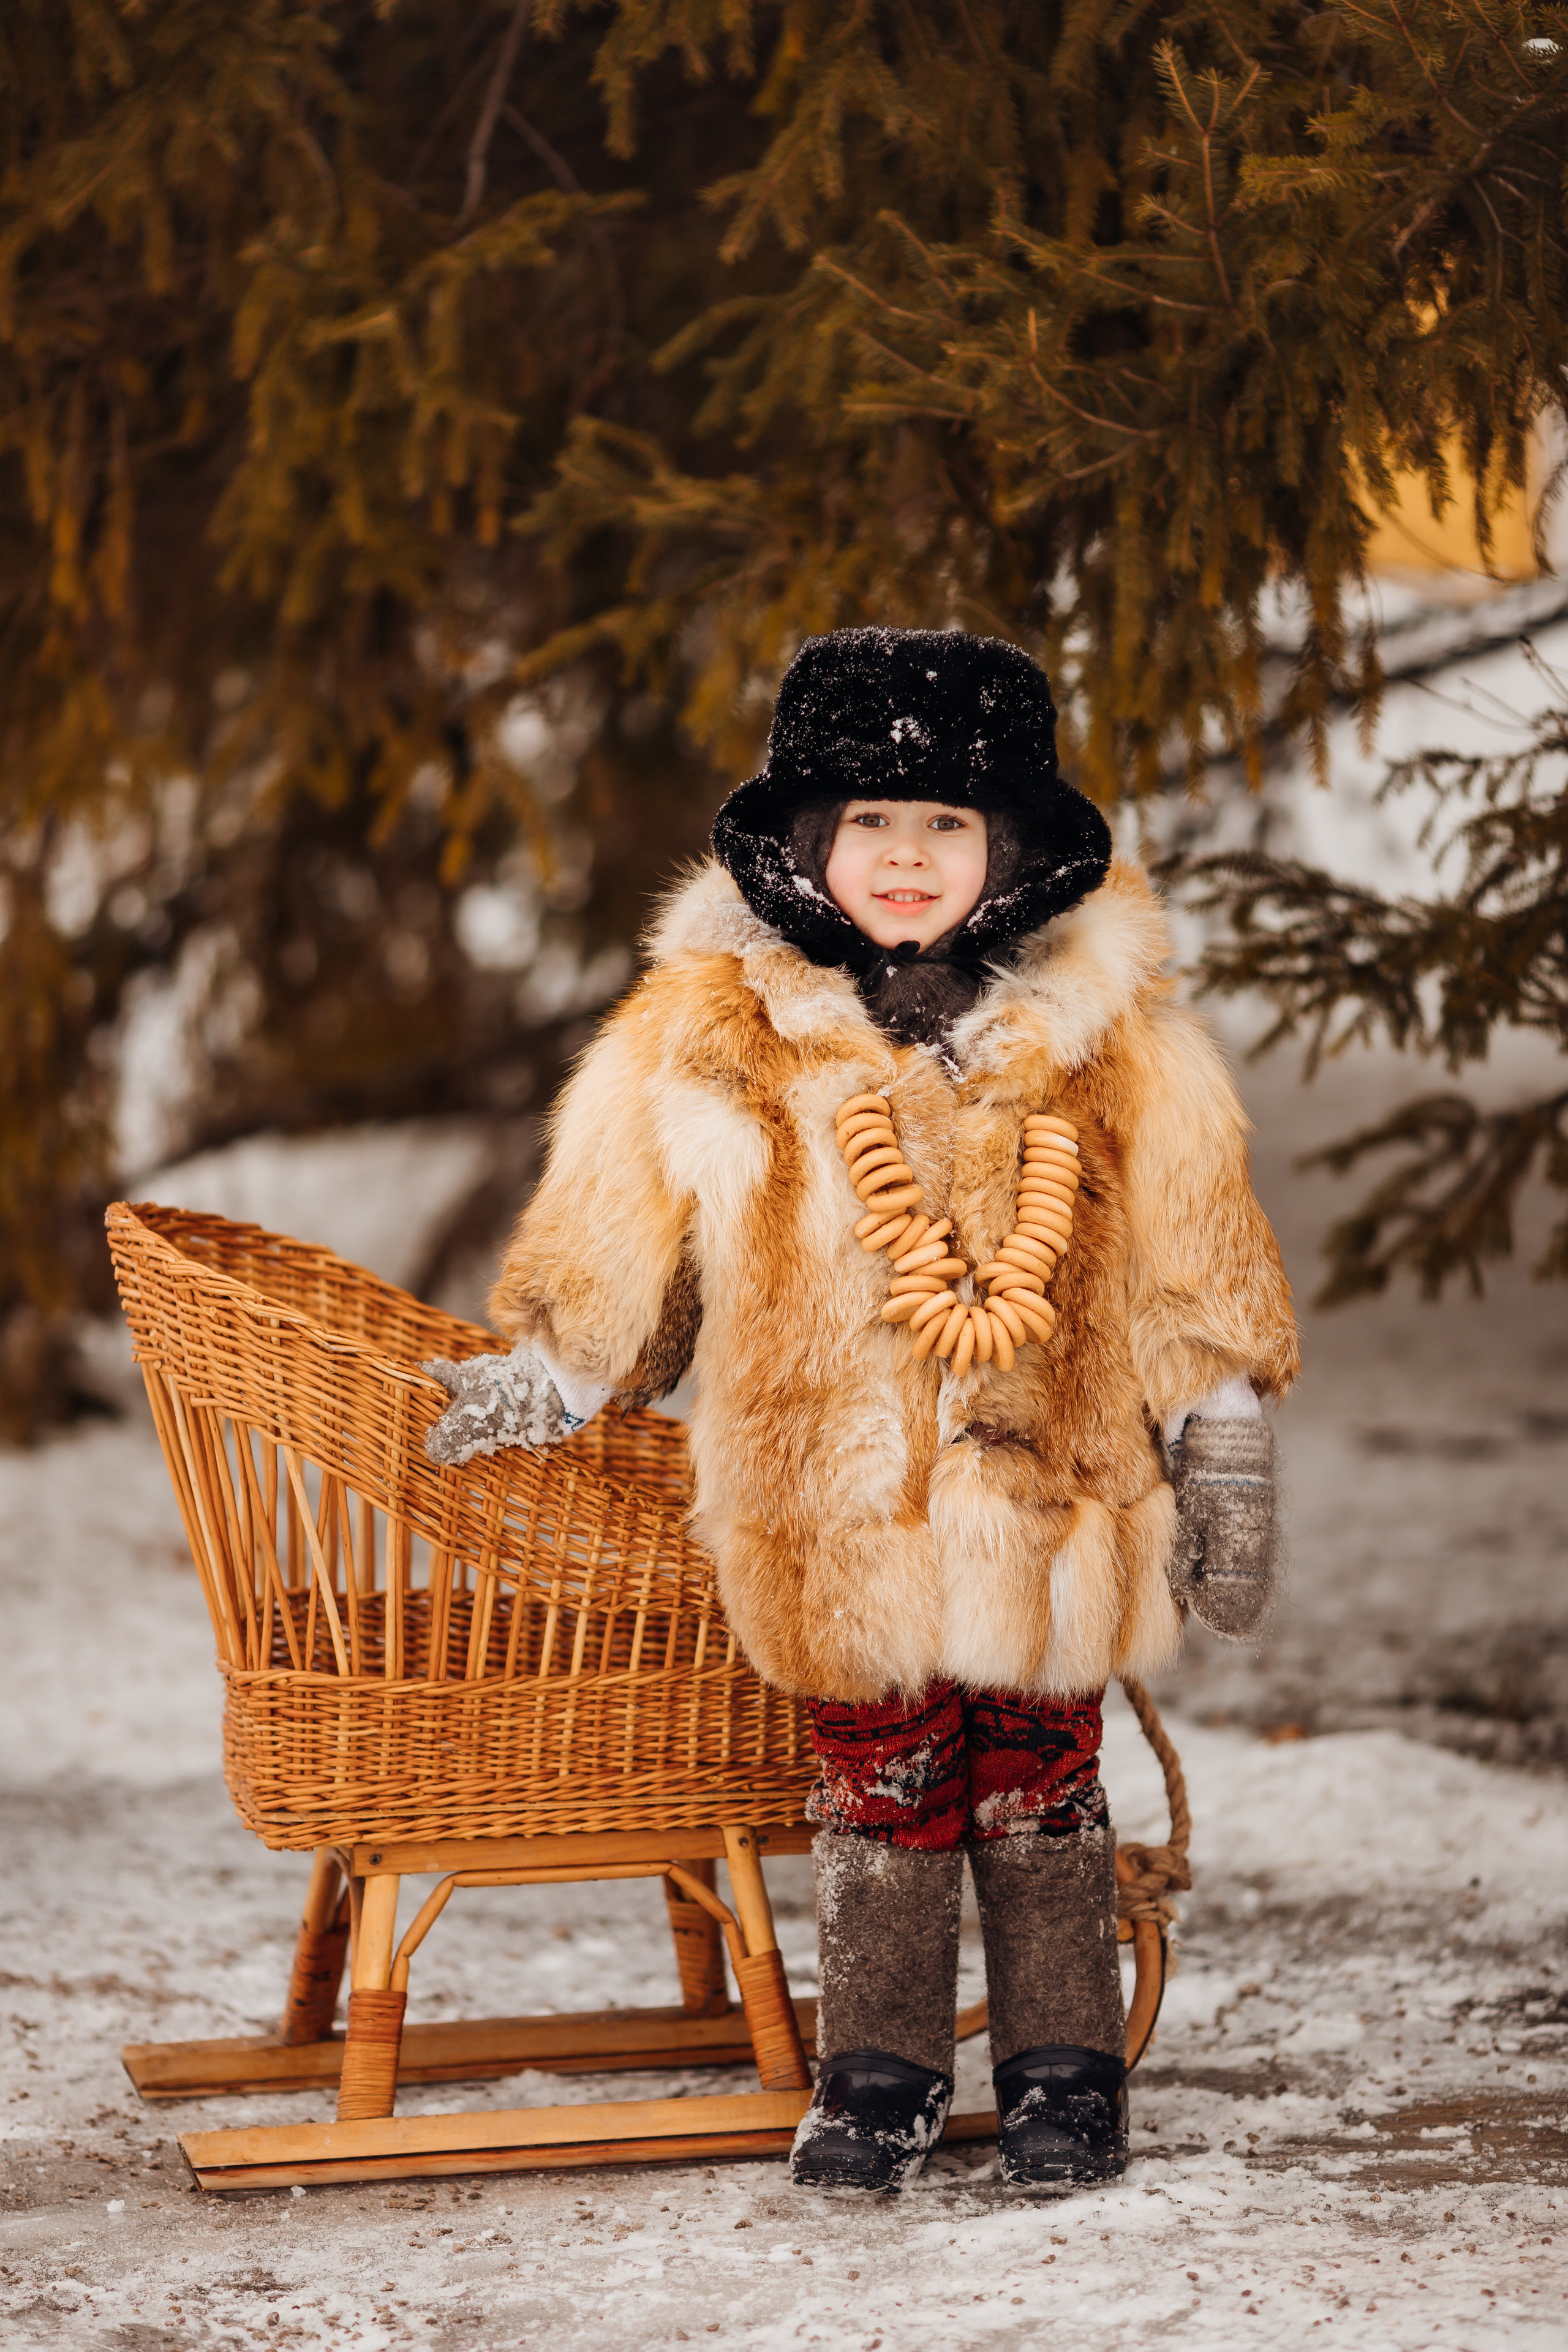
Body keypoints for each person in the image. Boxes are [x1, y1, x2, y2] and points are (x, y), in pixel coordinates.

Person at [424, 628, 1298, 2192]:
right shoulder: (712, 1041)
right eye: (869, 826)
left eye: (945, 827)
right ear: (806, 846)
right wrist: (554, 1368)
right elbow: (628, 1226)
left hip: (1055, 1493)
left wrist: (1220, 1434)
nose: (905, 860)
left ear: (1009, 852)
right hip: (825, 1505)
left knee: (1042, 1784)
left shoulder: (1116, 1048)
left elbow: (1189, 1248)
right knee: (879, 1780)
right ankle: (880, 2068)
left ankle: (1062, 2071)